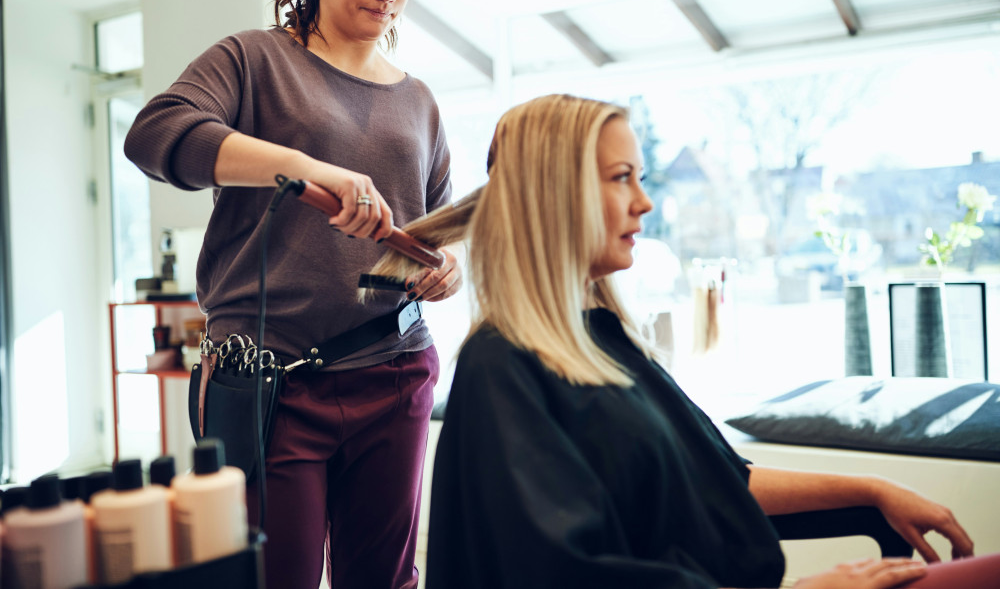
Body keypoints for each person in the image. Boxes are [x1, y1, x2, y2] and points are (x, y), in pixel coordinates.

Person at [364, 94, 1000, 589]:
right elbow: (563, 574)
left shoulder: (604, 340)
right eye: (622, 178)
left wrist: (871, 490)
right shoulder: (504, 368)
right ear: (555, 195)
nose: (644, 202)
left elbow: (720, 480)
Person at [124, 0, 461, 587]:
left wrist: (444, 268)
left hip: (394, 372)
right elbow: (156, 135)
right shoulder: (255, 61)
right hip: (268, 382)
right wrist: (307, 170)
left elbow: (432, 235)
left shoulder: (419, 101)